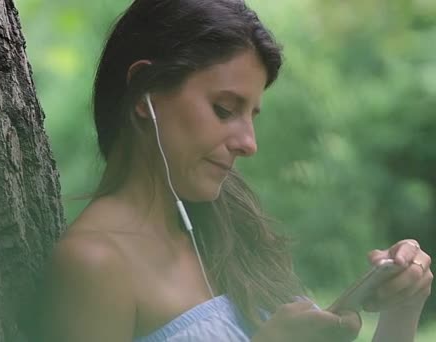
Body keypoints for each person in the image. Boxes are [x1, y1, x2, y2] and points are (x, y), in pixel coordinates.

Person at [37, 0, 433, 341]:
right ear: (145, 91)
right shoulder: (94, 264)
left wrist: (403, 307)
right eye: (225, 110)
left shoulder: (231, 228)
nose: (249, 143)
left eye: (251, 115)